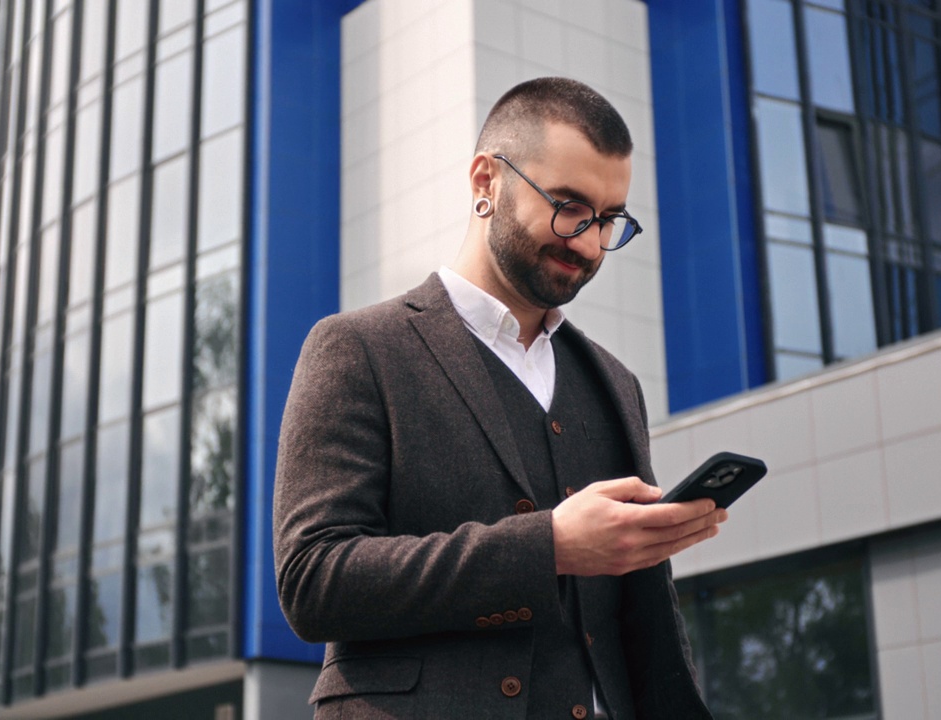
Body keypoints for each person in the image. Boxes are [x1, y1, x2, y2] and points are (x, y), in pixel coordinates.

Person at [274, 77, 725, 719]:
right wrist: (550, 547)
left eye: (609, 220)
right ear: (486, 181)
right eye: (568, 206)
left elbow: (642, 629)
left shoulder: (616, 383)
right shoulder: (357, 347)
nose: (590, 243)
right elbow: (312, 581)